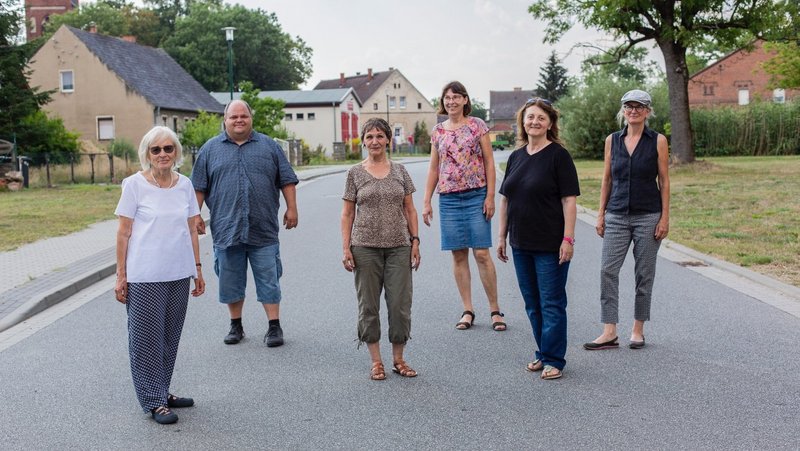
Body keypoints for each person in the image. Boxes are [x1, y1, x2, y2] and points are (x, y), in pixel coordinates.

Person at [115, 126, 205, 424]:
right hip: (145, 275)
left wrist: (197, 270)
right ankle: (153, 400)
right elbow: (124, 233)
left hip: (178, 272)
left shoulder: (185, 185)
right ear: (147, 154)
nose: (163, 154)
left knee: (169, 337)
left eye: (168, 149)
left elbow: (192, 228)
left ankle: (163, 390)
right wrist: (121, 276)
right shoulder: (134, 185)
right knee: (146, 340)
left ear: (176, 152)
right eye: (156, 150)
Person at [191, 99, 299, 347]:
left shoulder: (269, 146)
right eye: (233, 117)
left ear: (251, 118)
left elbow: (287, 180)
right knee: (230, 279)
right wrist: (195, 215)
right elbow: (198, 186)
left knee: (268, 278)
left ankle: (274, 326)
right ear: (225, 120)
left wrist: (292, 208)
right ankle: (235, 325)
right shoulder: (209, 150)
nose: (239, 120)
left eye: (244, 116)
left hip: (263, 228)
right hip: (226, 228)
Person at [497, 98, 580, 380]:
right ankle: (543, 353)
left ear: (550, 124)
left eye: (541, 118)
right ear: (522, 121)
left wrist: (568, 239)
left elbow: (569, 201)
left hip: (550, 244)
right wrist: (501, 236)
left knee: (552, 302)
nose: (535, 122)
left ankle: (554, 359)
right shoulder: (516, 156)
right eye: (530, 117)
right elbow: (506, 199)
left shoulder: (558, 156)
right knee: (532, 303)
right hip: (520, 243)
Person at [584, 89, 670, 351]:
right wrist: (601, 214)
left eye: (639, 106)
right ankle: (609, 330)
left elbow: (664, 180)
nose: (633, 110)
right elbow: (607, 179)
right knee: (607, 270)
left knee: (644, 274)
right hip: (617, 214)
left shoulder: (657, 140)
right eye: (628, 106)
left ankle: (637, 329)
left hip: (648, 215)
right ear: (623, 110)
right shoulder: (613, 140)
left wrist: (665, 217)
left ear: (647, 111)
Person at [341, 118, 421, 381]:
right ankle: (376, 361)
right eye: (369, 137)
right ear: (363, 141)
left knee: (399, 305)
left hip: (399, 246)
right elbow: (347, 213)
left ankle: (398, 358)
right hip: (364, 247)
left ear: (388, 139)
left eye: (379, 136)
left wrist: (415, 241)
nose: (374, 141)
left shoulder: (400, 171)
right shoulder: (354, 173)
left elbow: (410, 208)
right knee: (369, 305)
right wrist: (346, 248)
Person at [422, 81, 505, 331]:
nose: (451, 102)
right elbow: (434, 167)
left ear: (465, 100)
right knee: (458, 254)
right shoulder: (438, 131)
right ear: (443, 101)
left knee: (481, 253)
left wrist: (490, 196)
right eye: (447, 98)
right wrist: (427, 201)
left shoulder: (477, 125)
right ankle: (468, 310)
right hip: (448, 199)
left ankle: (495, 310)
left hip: (476, 195)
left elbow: (489, 162)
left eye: (456, 97)